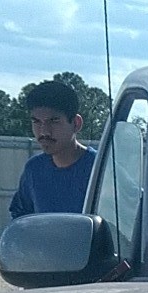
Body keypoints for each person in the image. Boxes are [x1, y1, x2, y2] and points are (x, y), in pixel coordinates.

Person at [9, 81, 95, 218]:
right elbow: (21, 219)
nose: (44, 131)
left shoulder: (100, 169)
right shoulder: (34, 170)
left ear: (76, 123)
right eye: (36, 122)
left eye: (54, 121)